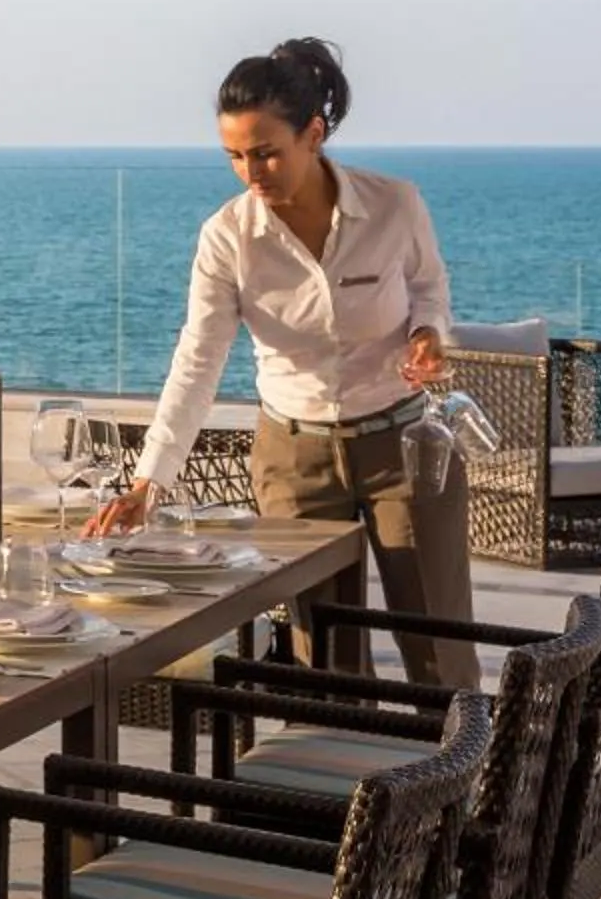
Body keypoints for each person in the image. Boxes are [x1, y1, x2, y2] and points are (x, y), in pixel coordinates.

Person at [85, 38, 477, 688]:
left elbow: (430, 289)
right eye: (235, 156)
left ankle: (462, 781)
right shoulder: (227, 238)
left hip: (405, 445)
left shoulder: (394, 204)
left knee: (439, 642)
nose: (252, 171)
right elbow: (198, 360)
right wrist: (150, 480)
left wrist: (428, 335)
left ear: (313, 134)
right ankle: (350, 788)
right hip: (294, 461)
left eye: (267, 152)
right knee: (323, 660)